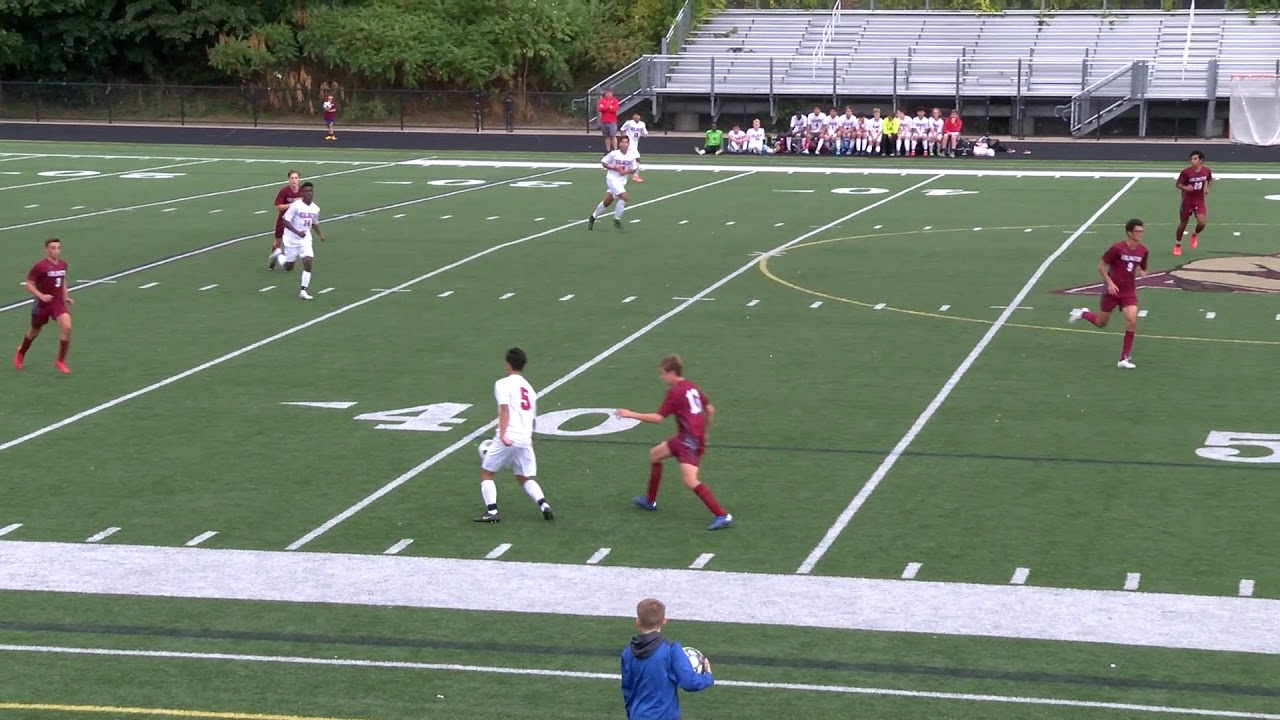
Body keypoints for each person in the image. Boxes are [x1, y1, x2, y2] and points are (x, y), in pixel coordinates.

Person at [617, 354, 732, 531]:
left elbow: (657, 418)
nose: (661, 377)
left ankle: (722, 515)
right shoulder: (691, 387)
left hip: (689, 442)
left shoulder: (675, 392)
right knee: (655, 454)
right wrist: (704, 432)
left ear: (672, 372)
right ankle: (649, 500)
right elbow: (709, 408)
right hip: (685, 438)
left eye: (663, 373)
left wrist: (630, 414)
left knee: (690, 481)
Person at [474, 347, 554, 523]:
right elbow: (533, 419)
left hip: (509, 436)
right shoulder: (529, 389)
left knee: (486, 473)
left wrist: (502, 435)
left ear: (507, 364)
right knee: (523, 477)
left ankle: (492, 512)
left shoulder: (502, 384)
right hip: (525, 438)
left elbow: (504, 409)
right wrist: (529, 440)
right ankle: (543, 505)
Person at [1068, 218, 1149, 369]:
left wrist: (1142, 271)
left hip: (1128, 291)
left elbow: (1143, 267)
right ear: (1129, 232)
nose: (1140, 234)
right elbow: (1101, 266)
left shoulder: (1143, 250)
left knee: (1131, 320)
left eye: (1141, 231)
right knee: (1101, 323)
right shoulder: (1117, 248)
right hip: (1112, 290)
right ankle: (1083, 314)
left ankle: (1123, 359)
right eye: (1137, 231)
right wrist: (1110, 283)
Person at [620, 598, 714, 720]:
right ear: (664, 621)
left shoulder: (627, 653)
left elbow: (627, 691)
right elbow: (689, 682)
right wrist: (708, 677)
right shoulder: (671, 650)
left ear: (638, 621)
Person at [15, 238, 73, 374]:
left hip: (57, 303)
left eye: (58, 248)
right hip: (42, 305)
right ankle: (21, 351)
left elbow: (63, 280)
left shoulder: (63, 264)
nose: (56, 251)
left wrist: (66, 297)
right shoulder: (40, 266)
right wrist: (41, 295)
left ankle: (60, 361)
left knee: (67, 327)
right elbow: (29, 284)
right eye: (53, 248)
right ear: (46, 249)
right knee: (34, 331)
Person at [279, 181, 324, 300]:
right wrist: (297, 232)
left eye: (311, 191)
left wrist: (320, 234)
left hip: (305, 239)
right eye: (306, 191)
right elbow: (285, 221)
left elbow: (314, 223)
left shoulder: (315, 208)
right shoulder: (295, 206)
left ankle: (303, 290)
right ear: (302, 193)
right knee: (289, 267)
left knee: (308, 262)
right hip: (291, 239)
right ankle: (279, 256)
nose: (309, 193)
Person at [589, 135, 636, 230]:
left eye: (626, 142)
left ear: (628, 144)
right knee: (624, 196)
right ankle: (617, 219)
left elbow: (633, 169)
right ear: (619, 143)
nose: (624, 144)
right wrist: (613, 167)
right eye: (622, 142)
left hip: (621, 181)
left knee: (607, 201)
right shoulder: (614, 154)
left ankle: (593, 217)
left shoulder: (631, 156)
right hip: (612, 179)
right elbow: (604, 162)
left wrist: (626, 171)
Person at [1174, 150, 1212, 257]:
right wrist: (1186, 187)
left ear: (1201, 160)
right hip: (1187, 200)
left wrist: (1207, 188)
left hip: (1199, 200)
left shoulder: (1206, 171)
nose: (1192, 161)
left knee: (1202, 222)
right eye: (1191, 159)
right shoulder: (1186, 172)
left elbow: (1210, 179)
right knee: (1183, 224)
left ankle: (1194, 234)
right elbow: (1177, 184)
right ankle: (1177, 244)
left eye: (1195, 159)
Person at [268, 169, 302, 270]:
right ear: (289, 179)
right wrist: (291, 205)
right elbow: (278, 206)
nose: (294, 180)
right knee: (278, 242)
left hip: (296, 221)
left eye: (296, 178)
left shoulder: (302, 191)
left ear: (299, 179)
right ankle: (272, 262)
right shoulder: (284, 191)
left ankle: (291, 261)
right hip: (283, 220)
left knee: (296, 241)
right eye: (292, 178)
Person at [620, 112, 649, 182]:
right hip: (630, 143)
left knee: (628, 157)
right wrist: (624, 139)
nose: (636, 116)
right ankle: (636, 175)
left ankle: (621, 170)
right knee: (637, 158)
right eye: (635, 115)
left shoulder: (642, 124)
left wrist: (644, 134)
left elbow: (644, 133)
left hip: (635, 143)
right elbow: (622, 129)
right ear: (633, 116)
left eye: (638, 115)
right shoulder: (629, 123)